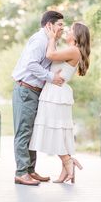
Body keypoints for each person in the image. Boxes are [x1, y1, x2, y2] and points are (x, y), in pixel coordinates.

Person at [29, 22, 91, 183]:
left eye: (70, 30)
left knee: (54, 130)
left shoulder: (73, 50)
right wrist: (53, 38)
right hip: (55, 92)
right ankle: (66, 167)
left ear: (77, 36)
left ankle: (68, 161)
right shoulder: (72, 50)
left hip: (55, 94)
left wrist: (50, 37)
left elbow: (50, 55)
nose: (66, 31)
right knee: (58, 131)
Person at [12, 11, 65, 186]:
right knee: (23, 132)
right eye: (60, 25)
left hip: (35, 92)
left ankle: (30, 170)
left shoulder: (50, 41)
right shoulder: (40, 40)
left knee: (31, 132)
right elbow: (31, 64)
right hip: (26, 90)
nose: (62, 28)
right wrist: (51, 77)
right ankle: (21, 173)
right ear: (49, 25)